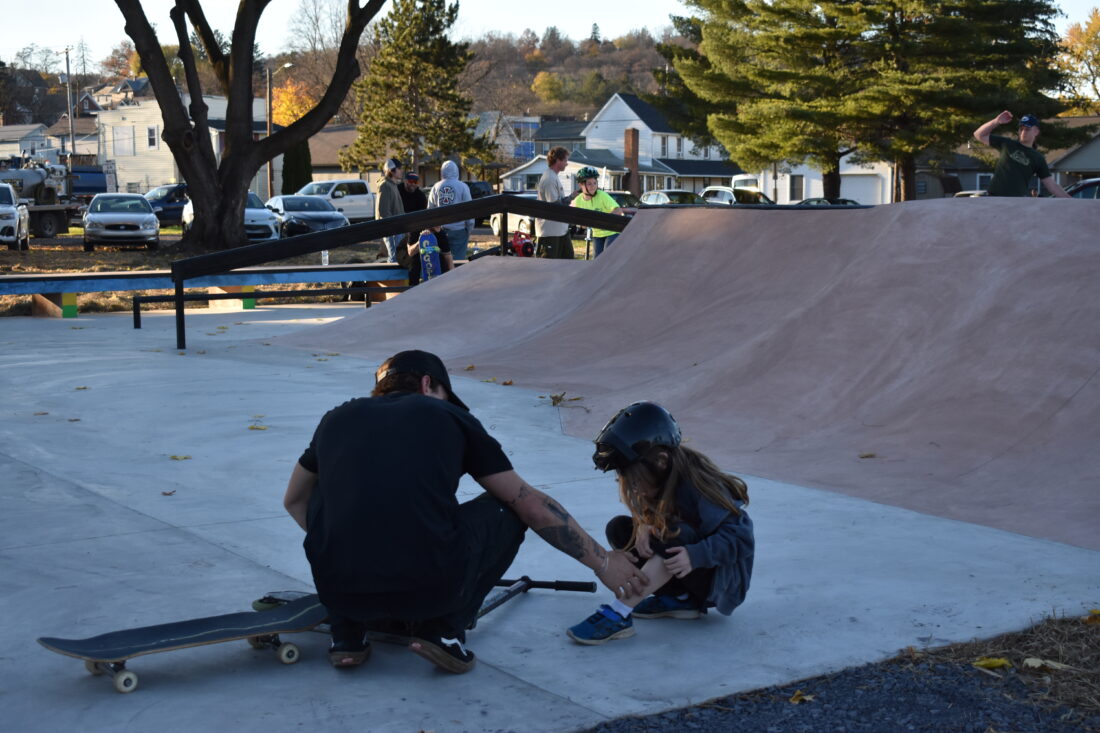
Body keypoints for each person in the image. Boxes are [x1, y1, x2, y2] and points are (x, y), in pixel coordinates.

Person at [282, 350, 648, 672]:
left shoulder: (336, 419)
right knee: (506, 507)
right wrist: (604, 562)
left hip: (341, 591)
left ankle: (347, 632)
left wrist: (353, 547)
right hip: (429, 590)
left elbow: (294, 501)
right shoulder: (448, 416)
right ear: (428, 384)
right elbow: (532, 506)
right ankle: (442, 631)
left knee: (327, 493)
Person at [566, 401, 755, 645]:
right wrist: (643, 524)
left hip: (717, 581)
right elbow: (656, 514)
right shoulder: (663, 476)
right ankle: (680, 599)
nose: (632, 487)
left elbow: (742, 538)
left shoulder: (702, 487)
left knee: (673, 534)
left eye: (634, 479)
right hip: (688, 568)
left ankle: (619, 612)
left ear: (661, 461)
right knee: (621, 529)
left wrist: (696, 555)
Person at [972, 111, 1070, 198]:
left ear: (1036, 132)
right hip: (994, 197)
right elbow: (978, 134)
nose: (1023, 132)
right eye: (1021, 129)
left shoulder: (1038, 158)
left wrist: (1071, 201)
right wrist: (996, 121)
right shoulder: (1007, 144)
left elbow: (1051, 185)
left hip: (1017, 201)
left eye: (1027, 129)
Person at [570, 166, 627, 257]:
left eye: (595, 183)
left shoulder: (602, 195)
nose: (593, 186)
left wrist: (603, 220)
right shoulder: (578, 201)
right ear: (581, 185)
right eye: (589, 184)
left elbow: (618, 210)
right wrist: (581, 224)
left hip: (612, 232)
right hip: (597, 234)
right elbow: (577, 219)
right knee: (597, 259)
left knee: (607, 256)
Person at [426, 160, 474, 261]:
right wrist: (469, 229)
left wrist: (432, 229)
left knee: (441, 261)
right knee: (457, 262)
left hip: (440, 231)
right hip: (459, 231)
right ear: (456, 171)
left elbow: (430, 211)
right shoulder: (463, 187)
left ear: (442, 171)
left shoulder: (436, 187)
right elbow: (470, 210)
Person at [535, 146, 574, 259]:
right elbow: (555, 206)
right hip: (550, 233)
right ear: (558, 160)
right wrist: (570, 199)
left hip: (560, 231)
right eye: (565, 160)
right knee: (548, 265)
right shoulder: (549, 179)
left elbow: (558, 202)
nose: (567, 163)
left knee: (568, 261)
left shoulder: (553, 176)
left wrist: (572, 196)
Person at [375, 158, 406, 262]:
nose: (401, 171)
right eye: (399, 168)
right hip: (392, 230)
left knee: (398, 258)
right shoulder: (385, 185)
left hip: (398, 228)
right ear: (391, 170)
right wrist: (392, 229)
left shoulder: (393, 184)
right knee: (394, 258)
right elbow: (383, 211)